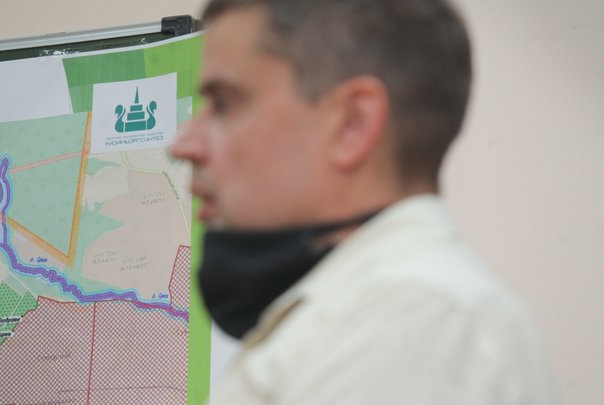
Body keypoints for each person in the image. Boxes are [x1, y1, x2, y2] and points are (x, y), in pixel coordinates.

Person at [171, 0, 560, 403]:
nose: (184, 145)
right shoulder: (367, 310)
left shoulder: (414, 320)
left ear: (351, 124)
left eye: (224, 104)